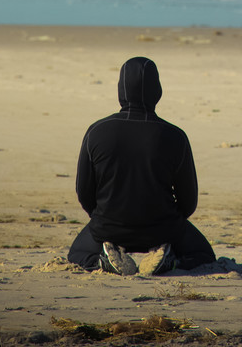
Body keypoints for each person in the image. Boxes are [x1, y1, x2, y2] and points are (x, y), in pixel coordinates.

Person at [67, 55, 216, 275]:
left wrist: (104, 216)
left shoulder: (97, 132)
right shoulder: (175, 136)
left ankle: (103, 262)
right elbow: (189, 201)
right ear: (157, 91)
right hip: (163, 228)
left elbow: (83, 191)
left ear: (120, 90)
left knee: (77, 256)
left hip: (108, 226)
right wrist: (168, 221)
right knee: (204, 256)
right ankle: (170, 262)